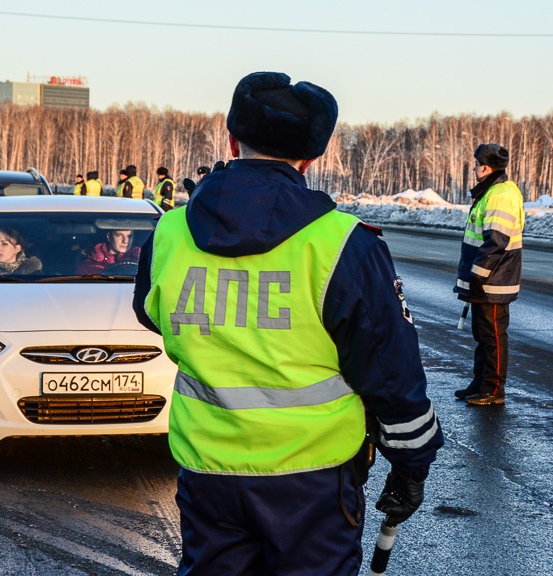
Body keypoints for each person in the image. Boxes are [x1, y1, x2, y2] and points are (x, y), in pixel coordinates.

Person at [132, 71, 443, 575]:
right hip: (312, 482)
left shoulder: (170, 231)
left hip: (207, 470)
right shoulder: (343, 243)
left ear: (233, 140)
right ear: (310, 158)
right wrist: (412, 464)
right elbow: (390, 372)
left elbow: (150, 313)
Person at [452, 144, 525, 406]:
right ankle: (480, 382)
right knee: (483, 335)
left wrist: (478, 274)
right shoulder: (491, 192)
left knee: (493, 336)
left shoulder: (499, 194)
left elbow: (496, 240)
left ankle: (493, 389)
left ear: (485, 166)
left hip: (493, 281)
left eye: (475, 164)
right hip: (487, 280)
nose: (474, 168)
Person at [76, 229, 140, 274]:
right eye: (119, 235)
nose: (125, 241)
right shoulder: (88, 267)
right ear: (109, 236)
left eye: (129, 236)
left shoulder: (142, 259)